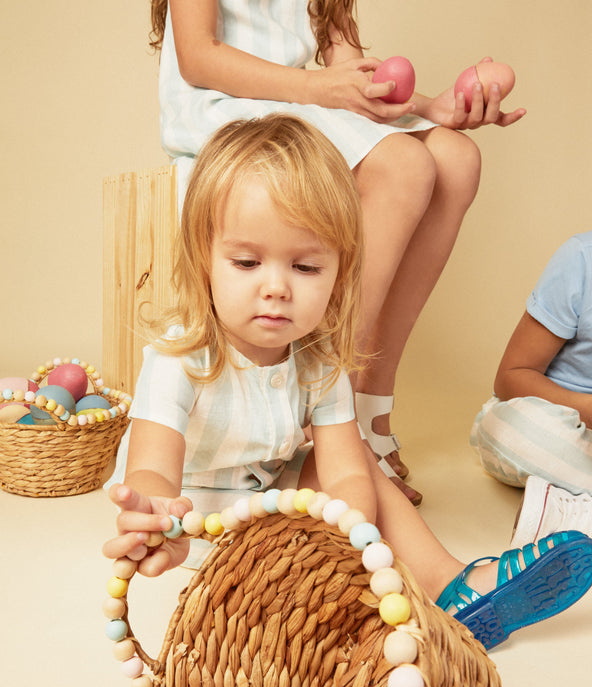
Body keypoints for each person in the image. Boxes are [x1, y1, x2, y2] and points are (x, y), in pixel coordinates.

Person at [103, 116, 592, 651]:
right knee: (288, 575)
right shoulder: (181, 358)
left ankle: (451, 581)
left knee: (357, 457)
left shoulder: (318, 359)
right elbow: (153, 466)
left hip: (280, 504)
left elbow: (343, 470)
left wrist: (347, 537)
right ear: (205, 259)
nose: (276, 288)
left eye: (306, 267)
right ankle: (324, 587)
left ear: (341, 271)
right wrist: (156, 513)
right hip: (204, 526)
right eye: (246, 262)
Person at [147, 0, 527, 505]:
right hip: (223, 105)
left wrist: (432, 108)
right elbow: (198, 56)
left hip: (299, 103)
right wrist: (318, 87)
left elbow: (351, 77)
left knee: (457, 158)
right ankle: (328, 404)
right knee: (404, 166)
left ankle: (369, 410)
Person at [470, 230, 592, 545]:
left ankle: (575, 514)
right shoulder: (583, 258)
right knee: (517, 430)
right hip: (556, 421)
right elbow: (512, 376)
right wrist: (590, 408)